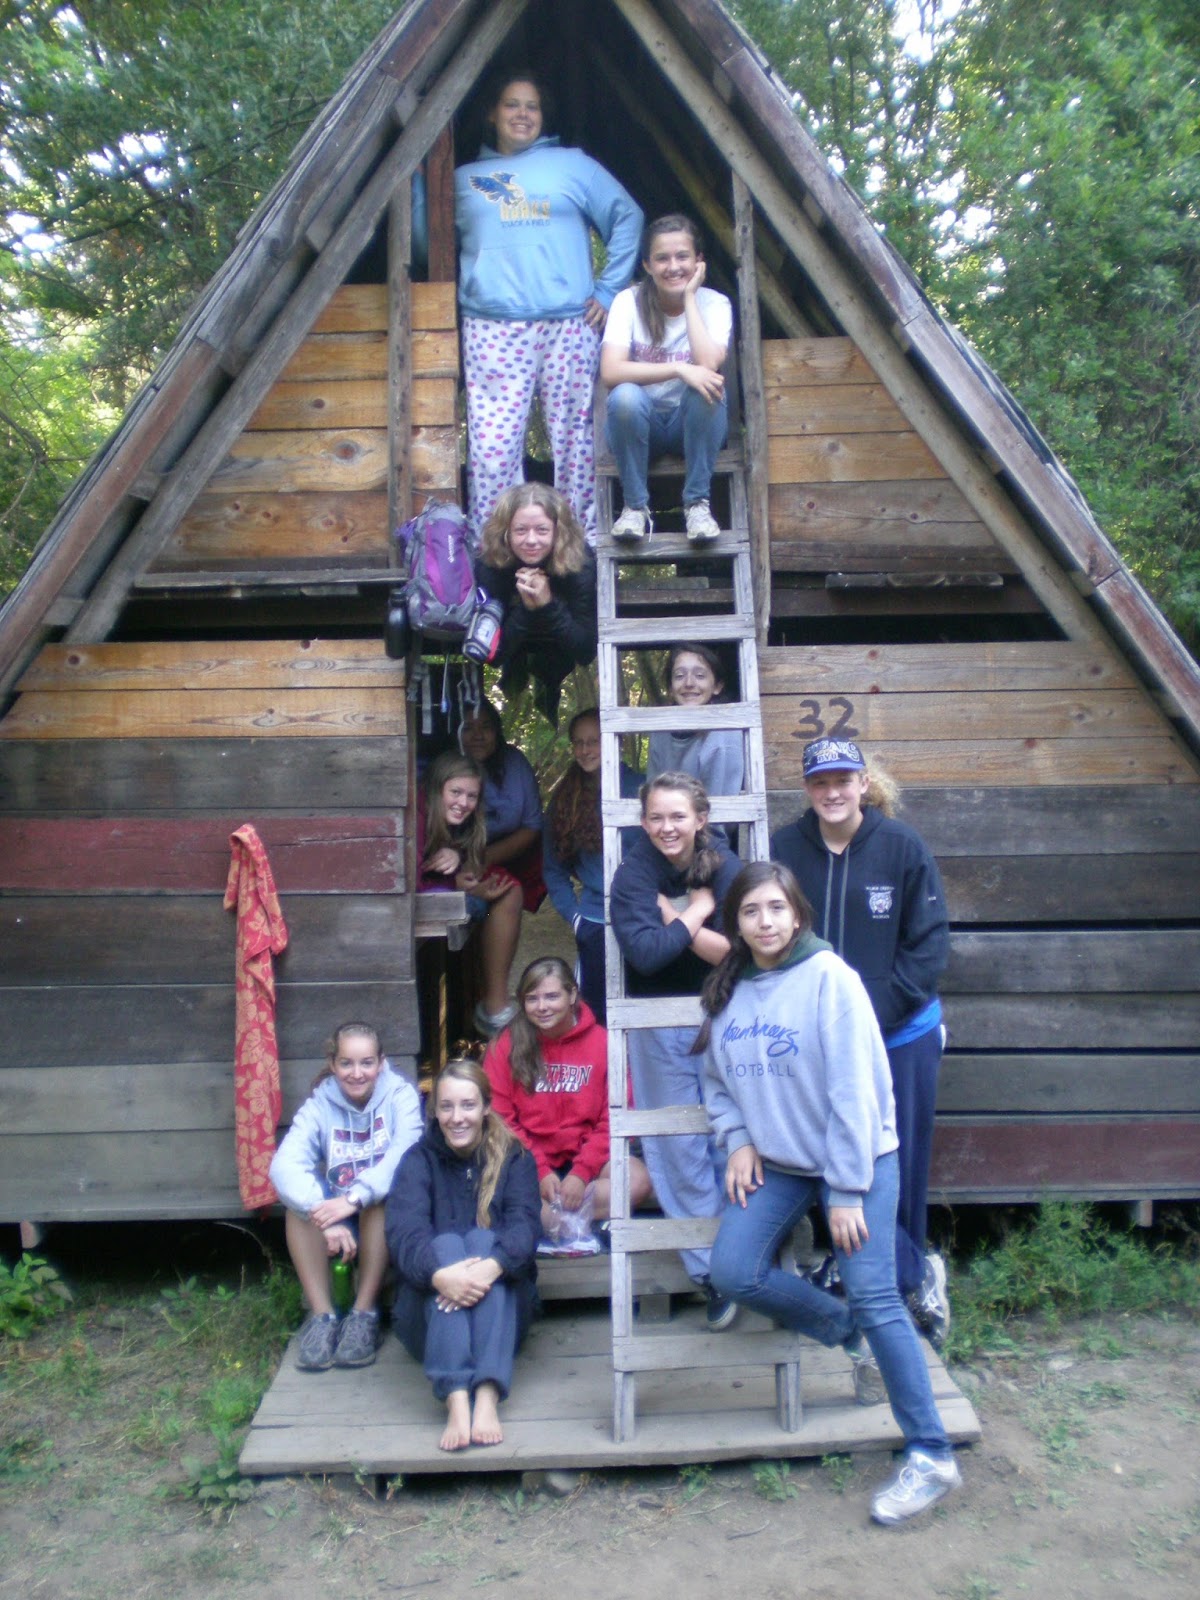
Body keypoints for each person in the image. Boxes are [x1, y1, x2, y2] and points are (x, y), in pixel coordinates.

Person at [697, 861, 961, 1526]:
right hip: (782, 1162)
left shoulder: (830, 980)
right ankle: (843, 1331)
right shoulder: (730, 990)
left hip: (857, 1157)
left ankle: (931, 1452)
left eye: (776, 908)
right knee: (732, 1269)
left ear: (798, 914)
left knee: (874, 1291)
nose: (765, 921)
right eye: (751, 911)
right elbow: (716, 1081)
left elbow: (856, 1090)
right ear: (736, 922)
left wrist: (845, 1190)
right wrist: (737, 1140)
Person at [770, 737, 952, 1344]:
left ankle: (910, 1275)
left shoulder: (902, 847)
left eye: (843, 781)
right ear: (808, 789)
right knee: (828, 1155)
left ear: (863, 784)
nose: (833, 792)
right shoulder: (785, 850)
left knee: (895, 1157)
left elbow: (927, 947)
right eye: (821, 783)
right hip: (815, 1041)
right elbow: (769, 935)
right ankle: (869, 1267)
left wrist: (867, 1017)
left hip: (901, 1034)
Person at [456, 70, 643, 541]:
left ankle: (577, 550)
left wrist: (607, 290)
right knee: (493, 448)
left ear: (543, 116)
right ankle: (499, 553)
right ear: (492, 114)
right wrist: (416, 182)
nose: (522, 114)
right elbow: (423, 240)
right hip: (492, 324)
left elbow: (628, 217)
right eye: (511, 104)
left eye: (532, 106)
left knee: (575, 440)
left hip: (568, 322)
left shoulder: (572, 165)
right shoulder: (461, 179)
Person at [609, 771, 741, 1326]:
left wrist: (676, 921)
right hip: (657, 1020)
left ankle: (743, 1256)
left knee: (731, 1140)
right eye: (657, 817)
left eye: (678, 817)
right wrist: (689, 914)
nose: (667, 827)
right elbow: (646, 955)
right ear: (643, 822)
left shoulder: (727, 869)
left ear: (701, 819)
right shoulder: (633, 875)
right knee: (679, 1148)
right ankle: (713, 1273)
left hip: (725, 1015)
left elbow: (746, 954)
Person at [386, 1057, 541, 1451]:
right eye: (447, 1106)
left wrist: (490, 1268)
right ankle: (457, 1397)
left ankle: (486, 1393)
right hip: (427, 1319)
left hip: (503, 1317)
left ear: (486, 1107)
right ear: (434, 1111)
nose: (458, 1117)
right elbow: (404, 1235)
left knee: (484, 1242)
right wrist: (442, 1277)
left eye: (468, 1105)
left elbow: (525, 1228)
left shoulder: (515, 1158)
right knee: (445, 1247)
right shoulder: (416, 1162)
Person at [270, 1022, 422, 1372]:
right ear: (333, 1063)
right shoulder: (320, 1103)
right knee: (299, 1206)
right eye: (347, 1064)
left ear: (381, 1062)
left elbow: (406, 1153)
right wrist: (321, 1214)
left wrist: (354, 1198)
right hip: (337, 1217)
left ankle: (364, 1314)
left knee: (380, 1198)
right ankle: (321, 1316)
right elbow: (283, 1166)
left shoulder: (401, 1096)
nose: (357, 1073)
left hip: (379, 1213)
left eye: (366, 1063)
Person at [484, 957, 652, 1238]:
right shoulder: (505, 1045)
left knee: (637, 1181)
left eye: (552, 996)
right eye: (532, 999)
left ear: (572, 994)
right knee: (499, 1192)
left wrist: (581, 1172)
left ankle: (555, 1226)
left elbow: (616, 1114)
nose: (542, 1007)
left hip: (589, 1163)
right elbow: (501, 1118)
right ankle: (574, 1226)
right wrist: (539, 1171)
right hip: (527, 1160)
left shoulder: (603, 1041)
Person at [601, 213, 732, 545]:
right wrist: (677, 368)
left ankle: (697, 504)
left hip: (691, 428)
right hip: (639, 428)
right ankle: (634, 507)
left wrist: (689, 298)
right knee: (624, 396)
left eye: (682, 256)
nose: (673, 266)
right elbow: (611, 372)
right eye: (662, 258)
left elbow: (706, 363)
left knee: (707, 388)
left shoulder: (715, 303)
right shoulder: (627, 302)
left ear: (699, 262)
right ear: (647, 264)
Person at [417, 749, 525, 1037]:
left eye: (471, 796)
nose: (463, 803)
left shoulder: (460, 826)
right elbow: (409, 885)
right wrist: (456, 884)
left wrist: (460, 875)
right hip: (412, 914)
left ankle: (494, 1007)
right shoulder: (415, 817)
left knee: (510, 890)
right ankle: (490, 1014)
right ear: (435, 789)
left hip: (439, 900)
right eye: (455, 792)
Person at [542, 708, 641, 1022]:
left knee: (642, 1007)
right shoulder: (565, 799)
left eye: (594, 741)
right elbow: (552, 869)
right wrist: (575, 918)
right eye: (578, 743)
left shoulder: (644, 788)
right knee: (595, 1017)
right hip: (596, 920)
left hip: (645, 917)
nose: (585, 750)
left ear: (617, 742)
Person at [475, 483, 598, 725]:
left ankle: (547, 688)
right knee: (513, 668)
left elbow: (585, 651)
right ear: (506, 532)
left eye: (542, 530)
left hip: (562, 640)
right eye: (521, 530)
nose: (531, 540)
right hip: (515, 635)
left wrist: (548, 604)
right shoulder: (491, 564)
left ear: (557, 531)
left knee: (554, 665)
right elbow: (491, 653)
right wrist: (527, 609)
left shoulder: (579, 562)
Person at [460, 699, 548, 1034]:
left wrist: (483, 860)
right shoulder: (446, 765)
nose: (478, 735)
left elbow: (531, 826)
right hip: (447, 863)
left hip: (498, 856)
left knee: (508, 891)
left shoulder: (514, 764)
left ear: (498, 732)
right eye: (469, 727)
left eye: (486, 727)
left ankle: (494, 1010)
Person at [646, 643, 744, 827]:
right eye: (679, 676)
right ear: (670, 686)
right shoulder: (660, 730)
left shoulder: (725, 732)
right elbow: (653, 795)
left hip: (709, 840)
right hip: (665, 833)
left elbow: (719, 821)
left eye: (700, 675)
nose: (689, 683)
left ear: (717, 686)